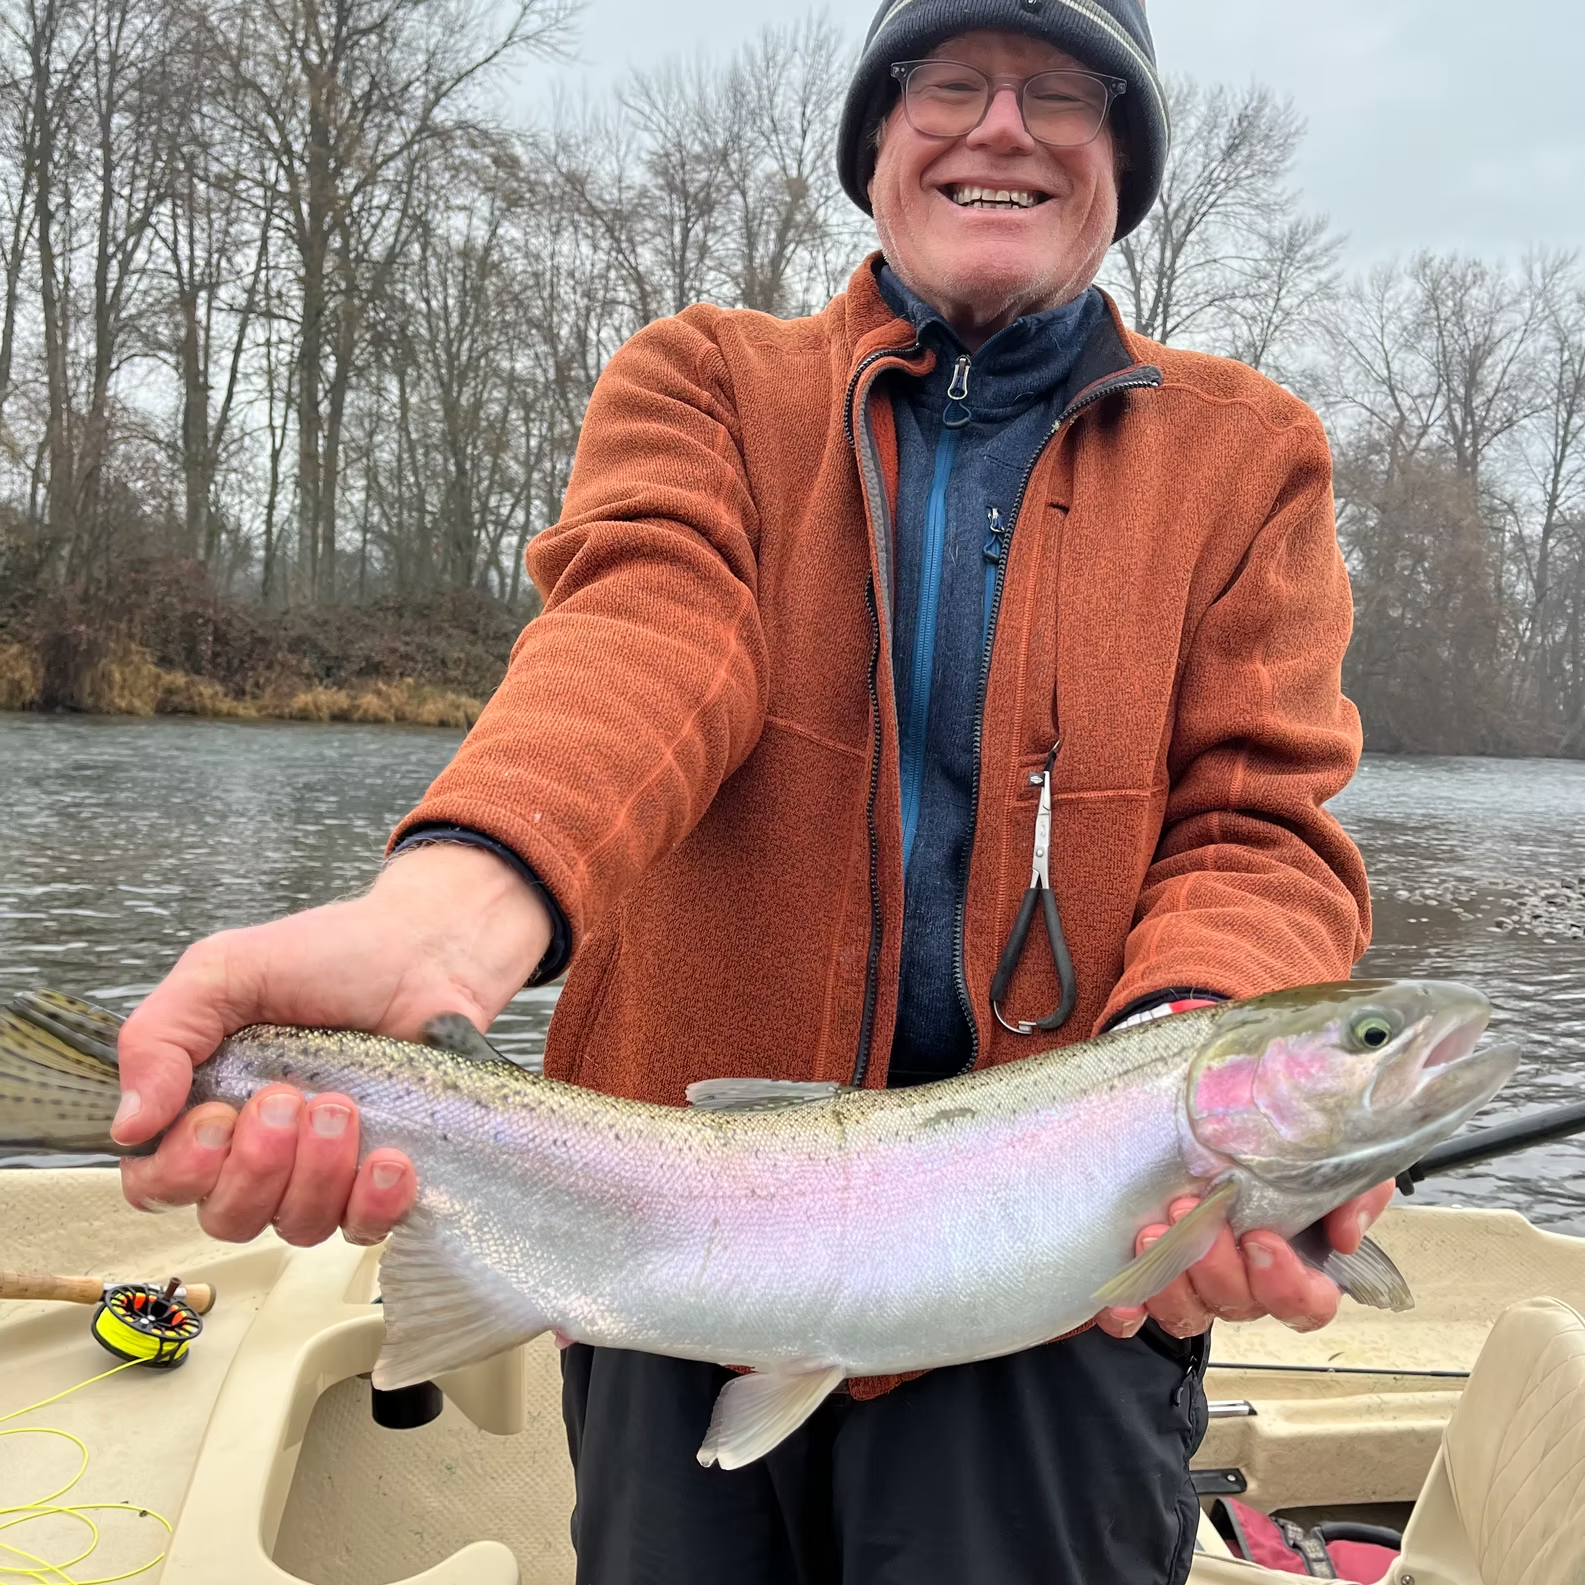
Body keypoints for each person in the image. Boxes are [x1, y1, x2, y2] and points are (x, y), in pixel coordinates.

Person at [110, 2, 1390, 1580]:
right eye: (951, 85)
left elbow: (1262, 830)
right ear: (875, 145)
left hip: (1061, 1290)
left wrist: (1181, 1075)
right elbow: (644, 642)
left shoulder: (1252, 457)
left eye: (1066, 93)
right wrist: (444, 926)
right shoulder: (703, 380)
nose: (1004, 126)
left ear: (1123, 161)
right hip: (664, 1237)